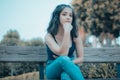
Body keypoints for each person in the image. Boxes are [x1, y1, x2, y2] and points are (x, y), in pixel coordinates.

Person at [45, 4, 84, 80]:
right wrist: (67, 32)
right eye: (64, 14)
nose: (68, 17)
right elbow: (64, 54)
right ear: (57, 17)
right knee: (63, 59)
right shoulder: (49, 36)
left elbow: (81, 58)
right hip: (52, 68)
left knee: (65, 75)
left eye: (70, 15)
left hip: (70, 66)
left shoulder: (75, 35)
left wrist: (67, 63)